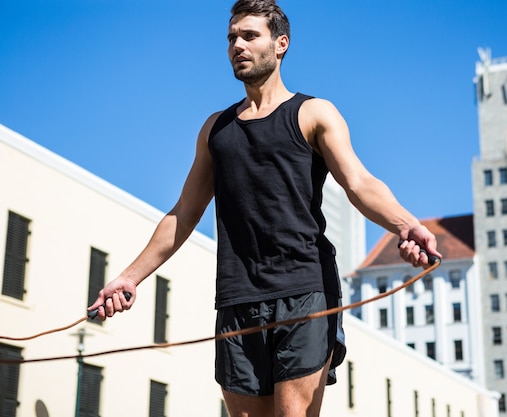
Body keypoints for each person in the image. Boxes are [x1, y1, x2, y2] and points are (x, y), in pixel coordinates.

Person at [88, 1, 442, 416]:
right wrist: (129, 278)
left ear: (280, 45)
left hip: (305, 291)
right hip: (237, 298)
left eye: (249, 35)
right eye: (231, 38)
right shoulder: (215, 130)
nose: (237, 45)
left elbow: (359, 183)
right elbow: (184, 213)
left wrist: (406, 225)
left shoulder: (313, 113)